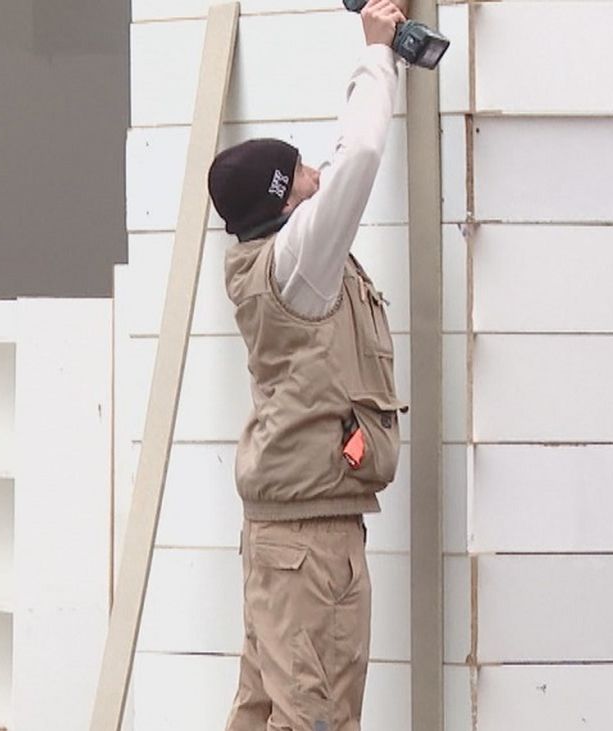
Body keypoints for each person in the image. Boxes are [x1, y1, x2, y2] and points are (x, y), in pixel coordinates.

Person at [206, 1, 408, 729]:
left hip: (288, 538)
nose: (316, 176)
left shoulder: (277, 263)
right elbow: (359, 156)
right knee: (314, 720)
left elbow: (340, 161)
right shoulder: (297, 264)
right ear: (282, 206)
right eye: (299, 176)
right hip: (309, 546)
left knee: (263, 715)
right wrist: (377, 50)